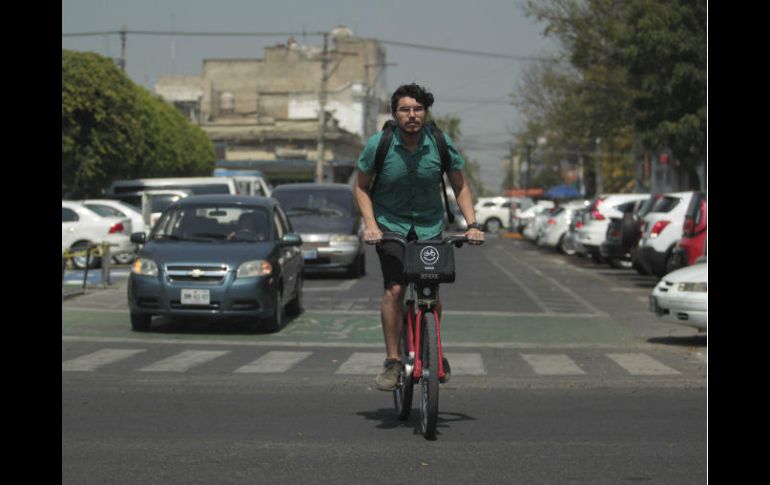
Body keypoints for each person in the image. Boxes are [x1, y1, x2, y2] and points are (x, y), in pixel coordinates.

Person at [353, 83, 485, 391]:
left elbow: (460, 186)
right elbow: (361, 187)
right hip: (390, 225)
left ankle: (433, 348)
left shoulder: (439, 142)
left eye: (418, 109)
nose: (412, 115)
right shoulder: (379, 144)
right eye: (405, 110)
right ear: (395, 113)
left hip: (429, 226)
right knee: (396, 289)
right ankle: (392, 361)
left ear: (425, 112)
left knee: (430, 292)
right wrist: (371, 225)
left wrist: (473, 223)